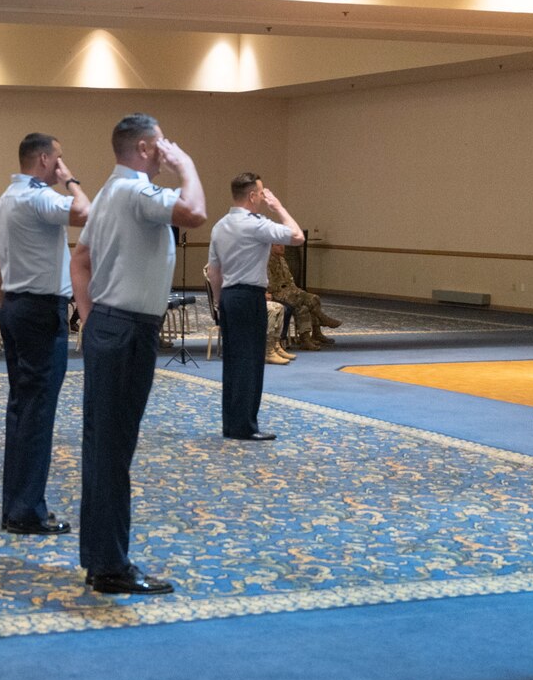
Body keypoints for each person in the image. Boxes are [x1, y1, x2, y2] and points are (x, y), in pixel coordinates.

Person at [71, 113, 207, 595]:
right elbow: (194, 212)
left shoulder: (110, 192)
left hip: (114, 323)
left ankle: (100, 557)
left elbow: (80, 260)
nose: (168, 150)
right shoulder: (132, 191)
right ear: (148, 148)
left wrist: (90, 318)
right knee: (112, 451)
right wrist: (187, 165)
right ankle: (110, 565)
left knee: (104, 447)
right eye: (163, 144)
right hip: (127, 329)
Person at [0, 132, 90, 536]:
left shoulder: (7, 197)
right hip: (39, 311)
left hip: (15, 305)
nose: (61, 164)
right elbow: (86, 212)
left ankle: (16, 504)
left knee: (22, 409)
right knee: (36, 414)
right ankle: (26, 510)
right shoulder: (39, 196)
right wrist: (71, 179)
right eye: (59, 159)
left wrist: (4, 305)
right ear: (45, 159)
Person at [206, 172, 303, 441]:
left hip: (228, 297)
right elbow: (297, 236)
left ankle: (231, 424)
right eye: (261, 194)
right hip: (249, 297)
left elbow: (214, 271)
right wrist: (279, 207)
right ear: (252, 196)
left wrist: (218, 300)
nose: (262, 198)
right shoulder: (256, 225)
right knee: (250, 363)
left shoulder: (219, 226)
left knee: (233, 363)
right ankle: (246, 426)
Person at [267, 244, 339, 349]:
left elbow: (290, 280)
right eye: (278, 245)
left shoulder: (282, 260)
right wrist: (288, 290)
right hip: (276, 293)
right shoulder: (267, 261)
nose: (282, 247)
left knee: (304, 307)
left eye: (282, 244)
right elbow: (270, 284)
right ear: (271, 247)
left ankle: (306, 339)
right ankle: (322, 320)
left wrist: (294, 290)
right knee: (313, 299)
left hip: (288, 291)